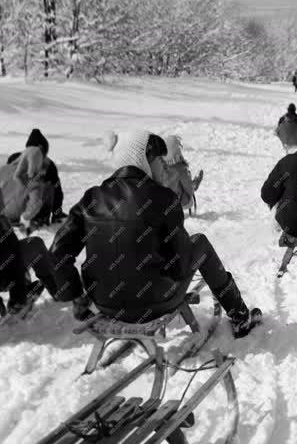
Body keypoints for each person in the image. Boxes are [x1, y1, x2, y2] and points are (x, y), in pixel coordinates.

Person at [50, 130, 262, 338]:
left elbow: (57, 252)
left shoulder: (92, 197)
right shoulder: (163, 198)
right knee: (200, 243)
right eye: (160, 161)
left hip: (104, 304)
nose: (164, 168)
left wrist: (76, 295)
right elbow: (179, 266)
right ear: (142, 160)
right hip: (154, 304)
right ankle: (240, 317)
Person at [0, 215, 62, 319]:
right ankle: (23, 292)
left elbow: (14, 251)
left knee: (34, 244)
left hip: (8, 269)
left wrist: (18, 294)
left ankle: (55, 289)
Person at [0, 145, 50, 233]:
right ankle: (42, 220)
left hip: (1, 214)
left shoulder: (3, 169)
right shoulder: (34, 181)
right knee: (48, 187)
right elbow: (35, 203)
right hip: (14, 217)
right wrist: (25, 217)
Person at [160, 134, 203, 211]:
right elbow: (188, 190)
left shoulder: (158, 166)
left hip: (161, 205)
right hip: (180, 203)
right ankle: (194, 184)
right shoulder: (180, 169)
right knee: (187, 186)